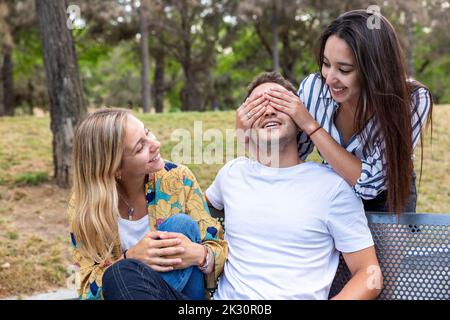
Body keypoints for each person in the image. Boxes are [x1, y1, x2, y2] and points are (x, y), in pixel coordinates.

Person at [206, 72, 382, 300]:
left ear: (299, 120)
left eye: (279, 103)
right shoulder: (232, 174)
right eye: (257, 106)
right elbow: (191, 207)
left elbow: (370, 274)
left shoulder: (333, 187)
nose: (268, 110)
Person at [236, 10, 433, 213]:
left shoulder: (410, 100)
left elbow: (370, 184)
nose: (329, 79)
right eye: (326, 64)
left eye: (344, 70)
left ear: (375, 69)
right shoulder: (314, 87)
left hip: (387, 196)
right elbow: (285, 162)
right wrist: (246, 135)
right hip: (335, 189)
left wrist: (311, 127)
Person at [67, 108, 227, 300]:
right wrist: (130, 258)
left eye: (148, 132)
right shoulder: (86, 207)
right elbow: (85, 289)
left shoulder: (178, 179)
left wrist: (200, 254)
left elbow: (219, 249)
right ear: (115, 167)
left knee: (179, 226)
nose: (156, 144)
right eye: (140, 147)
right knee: (119, 274)